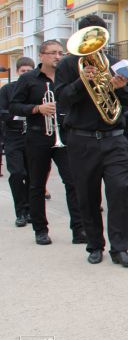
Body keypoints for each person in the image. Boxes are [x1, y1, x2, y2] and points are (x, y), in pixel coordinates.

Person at [55, 16, 128, 266]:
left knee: (119, 191)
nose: (94, 45)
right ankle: (94, 245)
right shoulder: (68, 65)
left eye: (97, 38)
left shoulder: (114, 63)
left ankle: (120, 248)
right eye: (88, 38)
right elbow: (62, 99)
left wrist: (120, 87)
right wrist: (83, 82)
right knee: (87, 195)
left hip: (114, 139)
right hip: (82, 139)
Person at [9, 41, 86, 245]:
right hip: (37, 136)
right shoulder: (28, 79)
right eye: (53, 53)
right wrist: (36, 109)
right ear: (41, 55)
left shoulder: (68, 78)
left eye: (60, 53)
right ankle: (40, 229)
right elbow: (14, 106)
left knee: (73, 183)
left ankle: (79, 230)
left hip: (65, 137)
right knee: (37, 185)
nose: (58, 57)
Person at [0, 57, 35, 226]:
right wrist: (22, 114)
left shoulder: (35, 89)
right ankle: (20, 211)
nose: (26, 74)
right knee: (17, 173)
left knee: (32, 175)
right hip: (14, 136)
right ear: (17, 72)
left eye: (29, 71)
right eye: (23, 71)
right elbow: (2, 112)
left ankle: (30, 210)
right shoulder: (7, 89)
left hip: (33, 136)